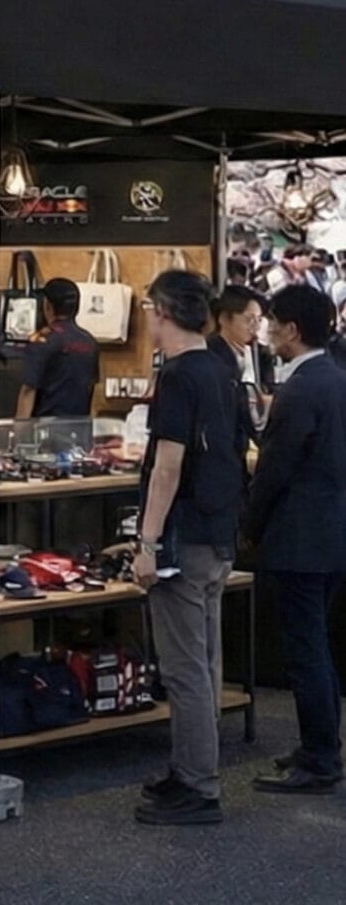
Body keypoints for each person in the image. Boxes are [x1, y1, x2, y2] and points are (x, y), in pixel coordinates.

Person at [133, 271, 244, 827]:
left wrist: (147, 542)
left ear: (162, 311)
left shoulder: (178, 375)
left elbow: (167, 467)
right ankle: (192, 769)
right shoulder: (222, 368)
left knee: (184, 669)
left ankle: (199, 784)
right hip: (218, 532)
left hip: (184, 538)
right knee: (204, 661)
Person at [243, 285, 346, 794]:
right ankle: (318, 747)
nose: (266, 330)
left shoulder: (301, 390)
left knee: (306, 651)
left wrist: (248, 526)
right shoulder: (336, 379)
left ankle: (321, 758)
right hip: (332, 532)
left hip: (301, 538)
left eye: (271, 322)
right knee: (317, 645)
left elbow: (274, 470)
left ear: (292, 329)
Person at [15, 278, 97, 419]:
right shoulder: (90, 342)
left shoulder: (42, 340)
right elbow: (93, 390)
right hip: (79, 426)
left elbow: (28, 390)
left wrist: (19, 429)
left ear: (47, 305)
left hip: (46, 427)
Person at [207, 284, 272, 443]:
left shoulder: (261, 354)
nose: (255, 326)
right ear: (224, 319)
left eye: (259, 320)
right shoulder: (211, 355)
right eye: (248, 319)